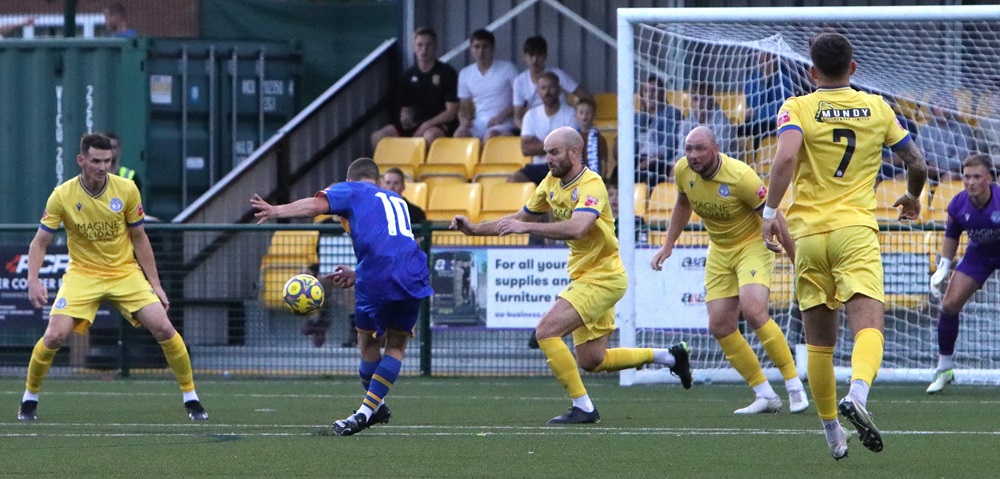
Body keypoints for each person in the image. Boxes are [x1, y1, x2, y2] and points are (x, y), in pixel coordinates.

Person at [450, 126, 693, 424]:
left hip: (603, 276)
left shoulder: (592, 184)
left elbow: (578, 227)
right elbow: (519, 219)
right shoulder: (550, 182)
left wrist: (529, 228)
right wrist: (474, 229)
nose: (548, 158)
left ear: (574, 153)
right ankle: (669, 356)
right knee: (593, 360)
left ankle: (584, 407)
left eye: (553, 152)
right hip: (585, 276)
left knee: (545, 332)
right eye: (546, 152)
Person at [761, 32, 927, 459]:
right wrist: (911, 197)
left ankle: (833, 434)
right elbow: (917, 162)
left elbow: (783, 159)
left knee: (819, 343)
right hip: (856, 230)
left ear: (811, 71)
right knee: (869, 325)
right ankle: (858, 394)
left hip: (810, 236)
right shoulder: (877, 107)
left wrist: (768, 216)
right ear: (854, 68)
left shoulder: (796, 106)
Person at [18, 133, 207, 422]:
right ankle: (29, 399)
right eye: (96, 161)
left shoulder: (127, 189)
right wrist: (33, 279)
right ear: (82, 160)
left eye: (108, 161)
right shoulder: (62, 195)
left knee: (165, 329)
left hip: (124, 272)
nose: (103, 167)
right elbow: (39, 243)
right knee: (54, 335)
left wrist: (155, 285)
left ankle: (191, 398)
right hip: (83, 274)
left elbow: (140, 239)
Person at [251, 158, 433, 436]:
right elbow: (393, 246)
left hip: (378, 275)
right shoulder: (396, 200)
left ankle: (364, 413)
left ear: (353, 178)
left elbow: (316, 205)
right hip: (415, 272)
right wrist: (359, 273)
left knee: (368, 344)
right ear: (377, 178)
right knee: (396, 346)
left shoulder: (352, 189)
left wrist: (276, 210)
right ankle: (376, 407)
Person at [650, 126, 807, 415]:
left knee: (753, 311)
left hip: (752, 246)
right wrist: (668, 244)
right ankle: (764, 394)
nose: (693, 155)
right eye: (688, 149)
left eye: (699, 149)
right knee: (719, 325)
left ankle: (795, 386)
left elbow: (774, 217)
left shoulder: (741, 176)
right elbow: (682, 203)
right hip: (720, 250)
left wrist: (797, 260)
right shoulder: (683, 171)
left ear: (715, 148)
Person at [927, 154, 1000, 394]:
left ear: (989, 178)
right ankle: (944, 368)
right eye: (967, 177)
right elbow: (952, 235)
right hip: (979, 255)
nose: (971, 182)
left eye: (977, 176)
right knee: (949, 305)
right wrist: (944, 266)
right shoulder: (958, 204)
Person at [370, 27, 458, 151]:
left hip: (438, 124)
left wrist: (427, 124)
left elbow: (451, 112)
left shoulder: (447, 73)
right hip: (416, 124)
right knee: (378, 136)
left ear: (435, 47)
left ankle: (422, 170)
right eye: (420, 45)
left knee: (430, 135)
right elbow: (407, 109)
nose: (424, 49)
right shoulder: (407, 76)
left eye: (428, 45)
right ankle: (390, 170)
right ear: (414, 48)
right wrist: (405, 119)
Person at [508, 72, 578, 185]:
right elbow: (525, 149)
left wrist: (538, 143)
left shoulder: (571, 114)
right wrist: (555, 144)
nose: (547, 92)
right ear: (538, 91)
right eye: (543, 88)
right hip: (538, 166)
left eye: (551, 87)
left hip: (563, 167)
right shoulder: (531, 115)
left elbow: (568, 148)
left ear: (559, 89)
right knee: (514, 180)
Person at [511, 35, 591, 129]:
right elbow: (517, 118)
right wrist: (528, 131)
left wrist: (581, 113)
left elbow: (586, 96)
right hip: (535, 123)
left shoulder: (558, 74)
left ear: (546, 56)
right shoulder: (519, 81)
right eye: (531, 55)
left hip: (561, 121)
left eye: (539, 55)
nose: (535, 60)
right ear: (524, 57)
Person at [454, 29, 518, 140]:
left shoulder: (508, 69)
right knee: (459, 135)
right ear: (471, 50)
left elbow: (520, 100)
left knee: (490, 137)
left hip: (503, 122)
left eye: (485, 47)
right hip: (479, 123)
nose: (481, 51)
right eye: (477, 47)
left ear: (493, 48)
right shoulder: (465, 74)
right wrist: (463, 118)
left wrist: (501, 116)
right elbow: (464, 106)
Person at [635, 75, 681, 188]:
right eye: (646, 91)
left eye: (654, 90)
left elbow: (670, 147)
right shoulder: (637, 118)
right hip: (640, 159)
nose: (650, 95)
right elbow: (632, 145)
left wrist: (649, 161)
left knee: (650, 171)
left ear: (661, 94)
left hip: (660, 161)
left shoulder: (671, 114)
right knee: (618, 171)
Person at [743, 51, 795, 145]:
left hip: (776, 123)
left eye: (760, 51)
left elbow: (781, 106)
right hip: (757, 123)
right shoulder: (753, 78)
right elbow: (753, 103)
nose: (758, 54)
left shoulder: (786, 77)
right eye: (756, 52)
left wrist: (758, 112)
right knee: (739, 131)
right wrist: (765, 79)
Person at [678, 83, 737, 157]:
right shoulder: (687, 122)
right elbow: (681, 153)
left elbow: (715, 155)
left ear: (712, 100)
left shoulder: (723, 124)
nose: (699, 104)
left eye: (703, 99)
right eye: (695, 99)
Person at [575, 98, 609, 180]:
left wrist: (602, 179)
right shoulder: (573, 138)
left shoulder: (599, 138)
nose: (584, 116)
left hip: (595, 179)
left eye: (588, 113)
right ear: (576, 115)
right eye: (581, 113)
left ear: (594, 115)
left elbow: (603, 161)